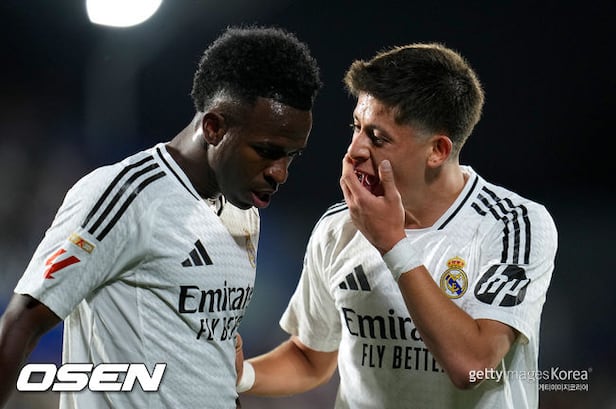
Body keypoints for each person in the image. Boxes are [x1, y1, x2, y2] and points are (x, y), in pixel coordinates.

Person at [0, 25, 321, 409]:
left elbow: (213, 356)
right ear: (214, 127)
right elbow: (22, 322)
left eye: (291, 155)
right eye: (267, 151)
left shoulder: (244, 210)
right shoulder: (126, 195)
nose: (280, 172)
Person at [237, 43, 558, 408]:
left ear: (437, 150)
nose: (354, 150)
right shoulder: (338, 228)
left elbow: (473, 365)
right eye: (357, 128)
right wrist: (242, 375)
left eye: (378, 138)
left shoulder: (512, 225)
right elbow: (311, 357)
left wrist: (392, 244)